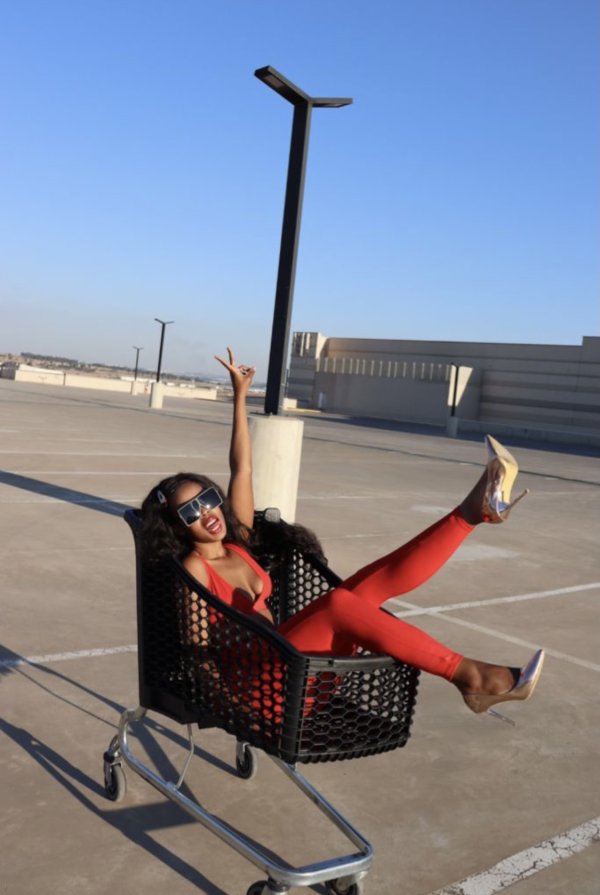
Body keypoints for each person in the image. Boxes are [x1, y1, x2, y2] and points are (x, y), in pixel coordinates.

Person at [140, 348, 544, 720]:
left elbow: (241, 470)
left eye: (208, 498)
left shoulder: (237, 545)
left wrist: (241, 396)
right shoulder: (194, 569)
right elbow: (198, 650)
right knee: (339, 604)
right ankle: (469, 676)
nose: (207, 512)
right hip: (261, 691)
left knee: (364, 588)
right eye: (190, 511)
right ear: (177, 526)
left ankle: (472, 514)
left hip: (293, 668)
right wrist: (226, 706)